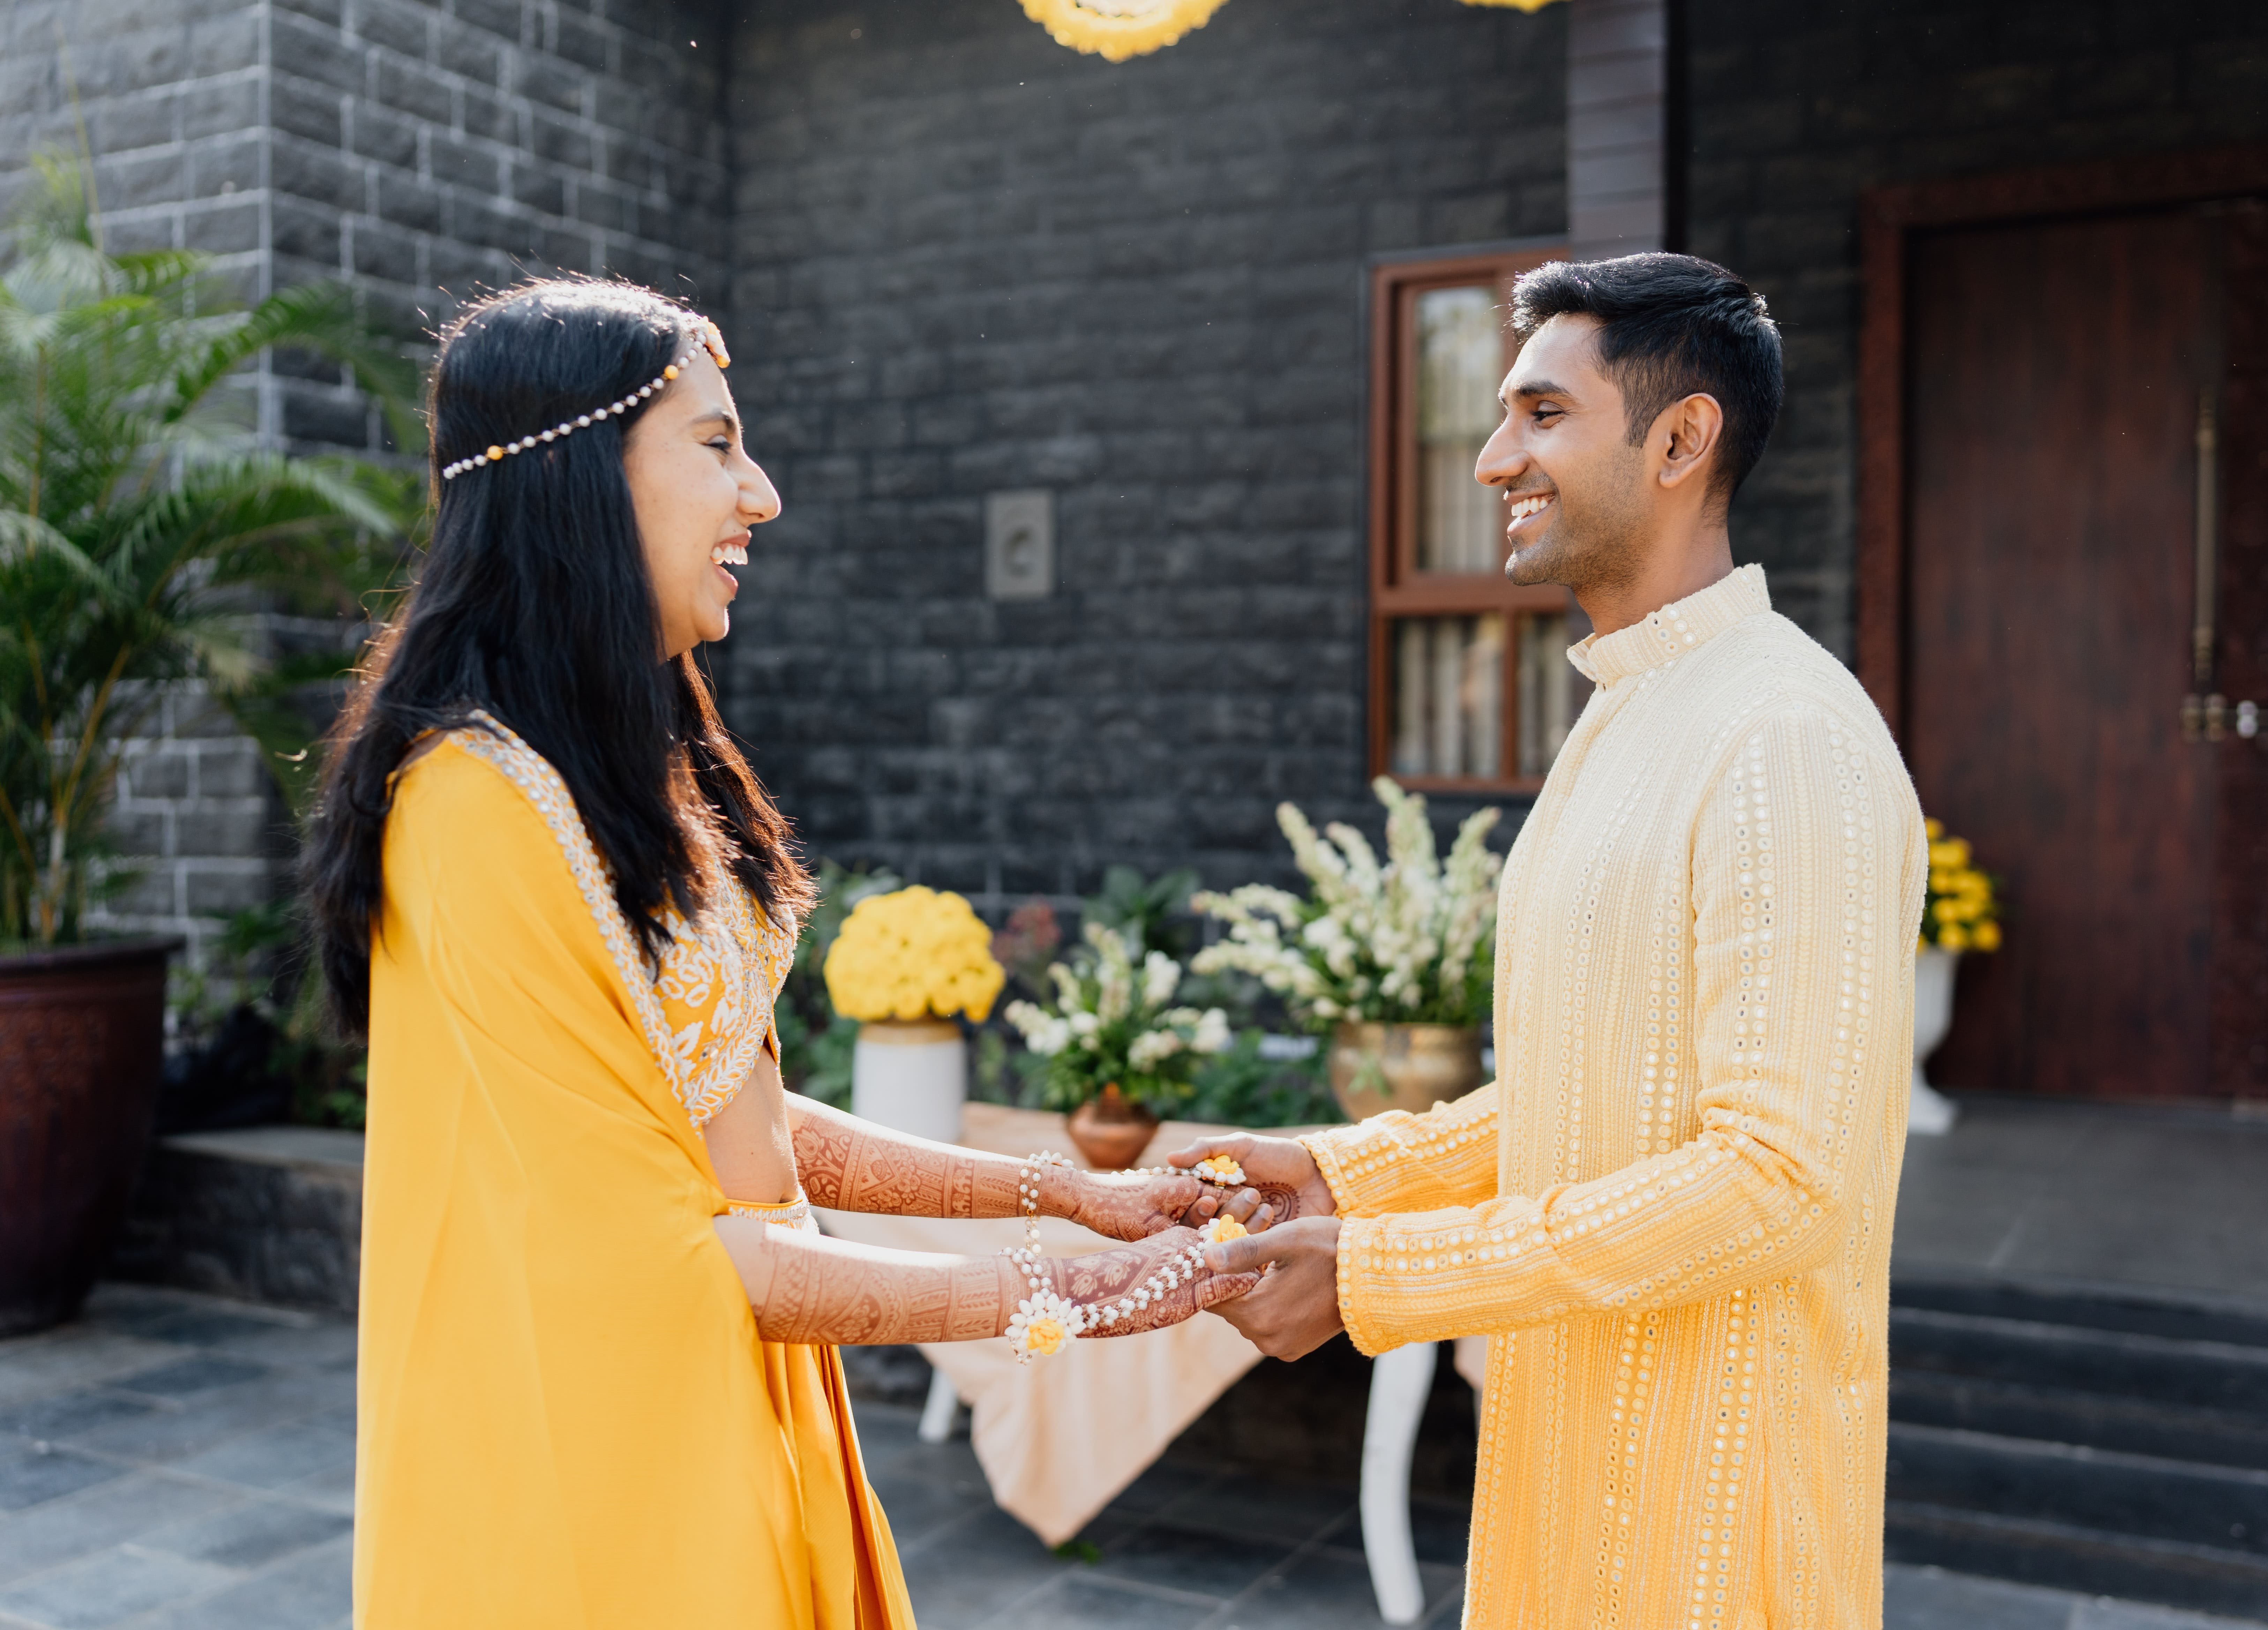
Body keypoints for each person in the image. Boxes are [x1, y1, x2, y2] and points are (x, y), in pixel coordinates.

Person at [306, 278, 1258, 1630]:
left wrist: (1058, 1196)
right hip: (606, 1472)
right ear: (577, 474)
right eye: (716, 444)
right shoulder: (473, 806)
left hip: (748, 1393)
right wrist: (1055, 1298)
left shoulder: (629, 761)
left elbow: (724, 1115)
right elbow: (657, 1248)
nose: (762, 494)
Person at [1173, 254, 1927, 1630]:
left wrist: (1385, 1272)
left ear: (1682, 439)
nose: (1489, 457)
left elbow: (1780, 1177)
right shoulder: (1634, 713)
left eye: (1541, 413)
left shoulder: (1786, 739)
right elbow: (1599, 1101)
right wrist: (1347, 1174)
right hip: (1561, 1485)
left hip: (1711, 1527)